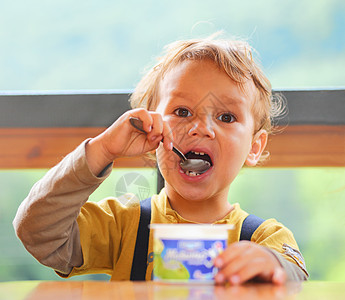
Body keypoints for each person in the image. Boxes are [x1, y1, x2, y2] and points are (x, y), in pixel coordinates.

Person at [13, 35, 308, 284]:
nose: (200, 128)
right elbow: (37, 231)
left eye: (226, 117)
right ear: (152, 127)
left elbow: (296, 278)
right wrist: (102, 150)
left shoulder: (264, 238)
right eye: (182, 112)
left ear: (254, 147)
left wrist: (271, 265)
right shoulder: (122, 225)